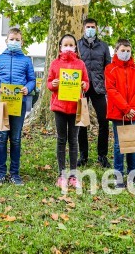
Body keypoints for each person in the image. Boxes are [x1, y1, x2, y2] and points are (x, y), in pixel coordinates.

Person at [0, 27, 36, 185]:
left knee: (15, 139)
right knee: (1, 138)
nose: (14, 42)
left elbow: (32, 80)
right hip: (0, 104)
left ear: (22, 42)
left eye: (17, 40)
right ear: (6, 41)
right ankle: (0, 172)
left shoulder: (27, 61)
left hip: (18, 104)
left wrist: (27, 88)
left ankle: (15, 173)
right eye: (12, 39)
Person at [46, 34, 89, 190]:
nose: (68, 47)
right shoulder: (55, 63)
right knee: (61, 140)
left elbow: (87, 83)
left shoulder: (80, 64)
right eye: (66, 44)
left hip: (75, 107)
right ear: (60, 47)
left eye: (71, 45)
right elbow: (49, 83)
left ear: (76, 47)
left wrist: (84, 85)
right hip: (59, 107)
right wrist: (53, 84)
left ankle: (73, 175)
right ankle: (61, 174)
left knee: (73, 140)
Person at [105, 39, 135, 188]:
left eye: (128, 51)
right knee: (119, 144)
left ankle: (132, 174)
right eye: (123, 50)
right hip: (118, 112)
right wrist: (126, 108)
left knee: (132, 145)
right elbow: (111, 90)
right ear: (116, 51)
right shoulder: (110, 69)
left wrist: (132, 108)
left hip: (133, 112)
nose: (126, 53)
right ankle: (118, 175)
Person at [77, 18, 112, 168]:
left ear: (96, 28)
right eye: (88, 27)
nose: (90, 29)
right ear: (84, 28)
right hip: (81, 88)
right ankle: (83, 155)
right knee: (81, 122)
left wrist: (108, 87)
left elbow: (108, 67)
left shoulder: (103, 46)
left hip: (98, 88)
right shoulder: (77, 45)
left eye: (92, 26)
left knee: (104, 121)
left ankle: (102, 155)